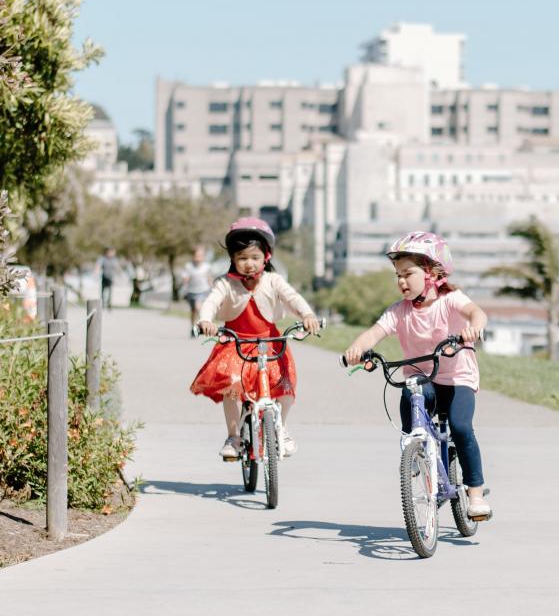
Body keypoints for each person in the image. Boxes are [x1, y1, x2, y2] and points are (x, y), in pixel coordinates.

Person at [342, 231, 492, 521]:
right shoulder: (399, 311)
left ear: (432, 273)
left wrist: (474, 327)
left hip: (457, 376)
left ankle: (475, 493)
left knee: (461, 428)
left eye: (407, 274)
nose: (400, 281)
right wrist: (357, 349)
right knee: (411, 393)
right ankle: (416, 450)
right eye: (397, 275)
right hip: (423, 378)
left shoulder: (450, 301)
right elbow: (375, 332)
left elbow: (476, 312)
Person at [190, 217, 320, 460]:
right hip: (234, 343)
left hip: (269, 343)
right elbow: (211, 302)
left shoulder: (274, 280)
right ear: (232, 259)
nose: (249, 264)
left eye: (254, 257)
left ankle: (281, 427)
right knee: (231, 388)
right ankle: (233, 436)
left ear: (266, 257)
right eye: (242, 258)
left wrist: (307, 314)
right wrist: (206, 320)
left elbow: (292, 298)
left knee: (284, 386)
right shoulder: (225, 283)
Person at [180, 245, 213, 337]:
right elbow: (185, 278)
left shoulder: (207, 267)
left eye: (201, 256)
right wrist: (186, 279)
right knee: (193, 311)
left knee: (198, 307)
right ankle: (193, 327)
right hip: (191, 291)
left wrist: (212, 289)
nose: (198, 258)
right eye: (197, 256)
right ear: (193, 256)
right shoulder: (189, 266)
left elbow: (209, 279)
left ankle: (201, 326)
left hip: (203, 290)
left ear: (203, 257)